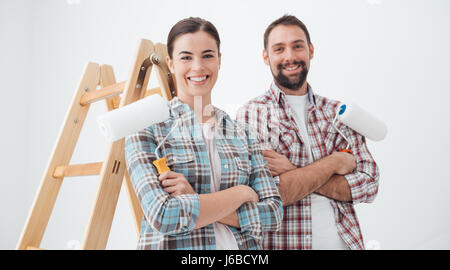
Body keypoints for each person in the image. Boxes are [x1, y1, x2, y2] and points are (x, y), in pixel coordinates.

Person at [124, 17, 282, 250]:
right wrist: (241, 192)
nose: (197, 67)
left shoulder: (243, 134)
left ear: (219, 60)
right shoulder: (147, 129)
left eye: (208, 55)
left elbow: (273, 214)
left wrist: (193, 198)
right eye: (186, 57)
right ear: (171, 63)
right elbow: (164, 216)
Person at [236, 15, 380, 250]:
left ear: (311, 50)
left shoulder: (338, 113)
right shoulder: (252, 114)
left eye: (297, 46)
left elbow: (369, 183)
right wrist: (334, 162)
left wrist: (292, 171)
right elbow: (271, 193)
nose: (290, 56)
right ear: (266, 57)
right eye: (279, 49)